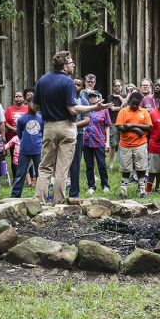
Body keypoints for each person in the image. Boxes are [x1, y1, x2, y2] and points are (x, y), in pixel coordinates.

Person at [32, 51, 109, 205]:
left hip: (49, 127)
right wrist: (94, 107)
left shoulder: (42, 80)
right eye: (71, 62)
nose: (73, 65)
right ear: (65, 65)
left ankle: (38, 202)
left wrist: (49, 105)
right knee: (62, 168)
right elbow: (73, 109)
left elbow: (34, 107)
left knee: (45, 166)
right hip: (67, 126)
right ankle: (58, 203)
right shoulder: (68, 82)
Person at [116, 91, 152, 199]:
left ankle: (142, 189)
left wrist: (131, 125)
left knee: (141, 167)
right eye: (133, 103)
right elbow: (119, 126)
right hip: (125, 144)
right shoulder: (123, 111)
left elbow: (149, 127)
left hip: (140, 143)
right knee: (125, 168)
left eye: (138, 104)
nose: (135, 106)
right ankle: (124, 190)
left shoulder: (144, 112)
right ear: (129, 101)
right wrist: (136, 129)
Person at [11, 105, 43, 198]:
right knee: (20, 173)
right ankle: (15, 195)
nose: (35, 106)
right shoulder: (21, 119)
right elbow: (20, 134)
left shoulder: (41, 119)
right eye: (33, 103)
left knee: (40, 174)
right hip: (24, 150)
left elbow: (43, 133)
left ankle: (43, 195)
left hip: (38, 150)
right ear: (28, 104)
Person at [82, 90, 111, 194]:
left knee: (102, 164)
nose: (92, 98)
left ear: (99, 98)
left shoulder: (104, 110)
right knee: (89, 165)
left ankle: (105, 185)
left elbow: (107, 125)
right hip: (86, 141)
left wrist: (107, 141)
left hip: (99, 140)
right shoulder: (86, 109)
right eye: (90, 97)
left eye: (94, 96)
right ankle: (91, 186)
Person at [107, 79, 126, 169]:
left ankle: (123, 164)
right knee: (113, 144)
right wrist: (121, 107)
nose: (117, 87)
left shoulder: (125, 96)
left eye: (119, 86)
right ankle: (111, 163)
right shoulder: (110, 97)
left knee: (123, 144)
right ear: (113, 87)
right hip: (113, 122)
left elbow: (126, 107)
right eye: (115, 86)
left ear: (122, 86)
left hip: (123, 123)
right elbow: (113, 109)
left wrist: (119, 98)